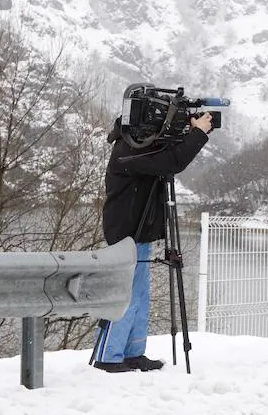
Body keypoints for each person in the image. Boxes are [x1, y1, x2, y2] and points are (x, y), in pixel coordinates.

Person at [91, 110, 213, 373]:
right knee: (125, 295)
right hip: (125, 234)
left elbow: (169, 156)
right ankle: (108, 356)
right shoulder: (127, 150)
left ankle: (133, 353)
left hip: (140, 233)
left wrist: (190, 132)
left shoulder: (139, 146)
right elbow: (172, 163)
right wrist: (198, 134)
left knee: (141, 297)